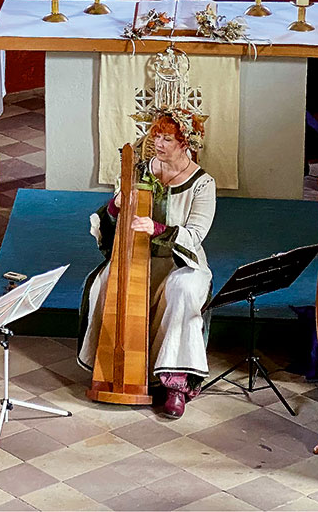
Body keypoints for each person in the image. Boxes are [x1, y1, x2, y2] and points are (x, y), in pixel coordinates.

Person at [78, 109, 216, 419]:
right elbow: (111, 214)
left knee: (185, 289)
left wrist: (157, 229)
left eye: (168, 138)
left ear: (186, 144)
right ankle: (112, 368)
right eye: (156, 136)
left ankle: (176, 384)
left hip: (180, 262)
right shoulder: (139, 169)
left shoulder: (203, 184)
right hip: (137, 257)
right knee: (103, 282)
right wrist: (116, 205)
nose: (159, 143)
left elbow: (195, 235)